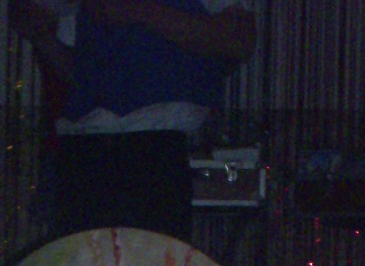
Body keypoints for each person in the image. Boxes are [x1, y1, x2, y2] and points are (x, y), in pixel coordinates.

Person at [53, 0, 257, 243]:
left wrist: (139, 10)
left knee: (152, 263)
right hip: (83, 151)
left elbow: (239, 40)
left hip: (157, 150)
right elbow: (76, 66)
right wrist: (38, 34)